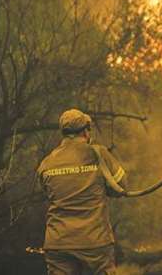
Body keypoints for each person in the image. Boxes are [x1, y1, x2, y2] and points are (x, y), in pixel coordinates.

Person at [37, 109, 127, 275]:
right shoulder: (98, 154)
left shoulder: (47, 162)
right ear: (86, 131)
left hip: (58, 243)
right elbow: (121, 186)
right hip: (95, 242)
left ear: (62, 132)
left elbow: (46, 193)